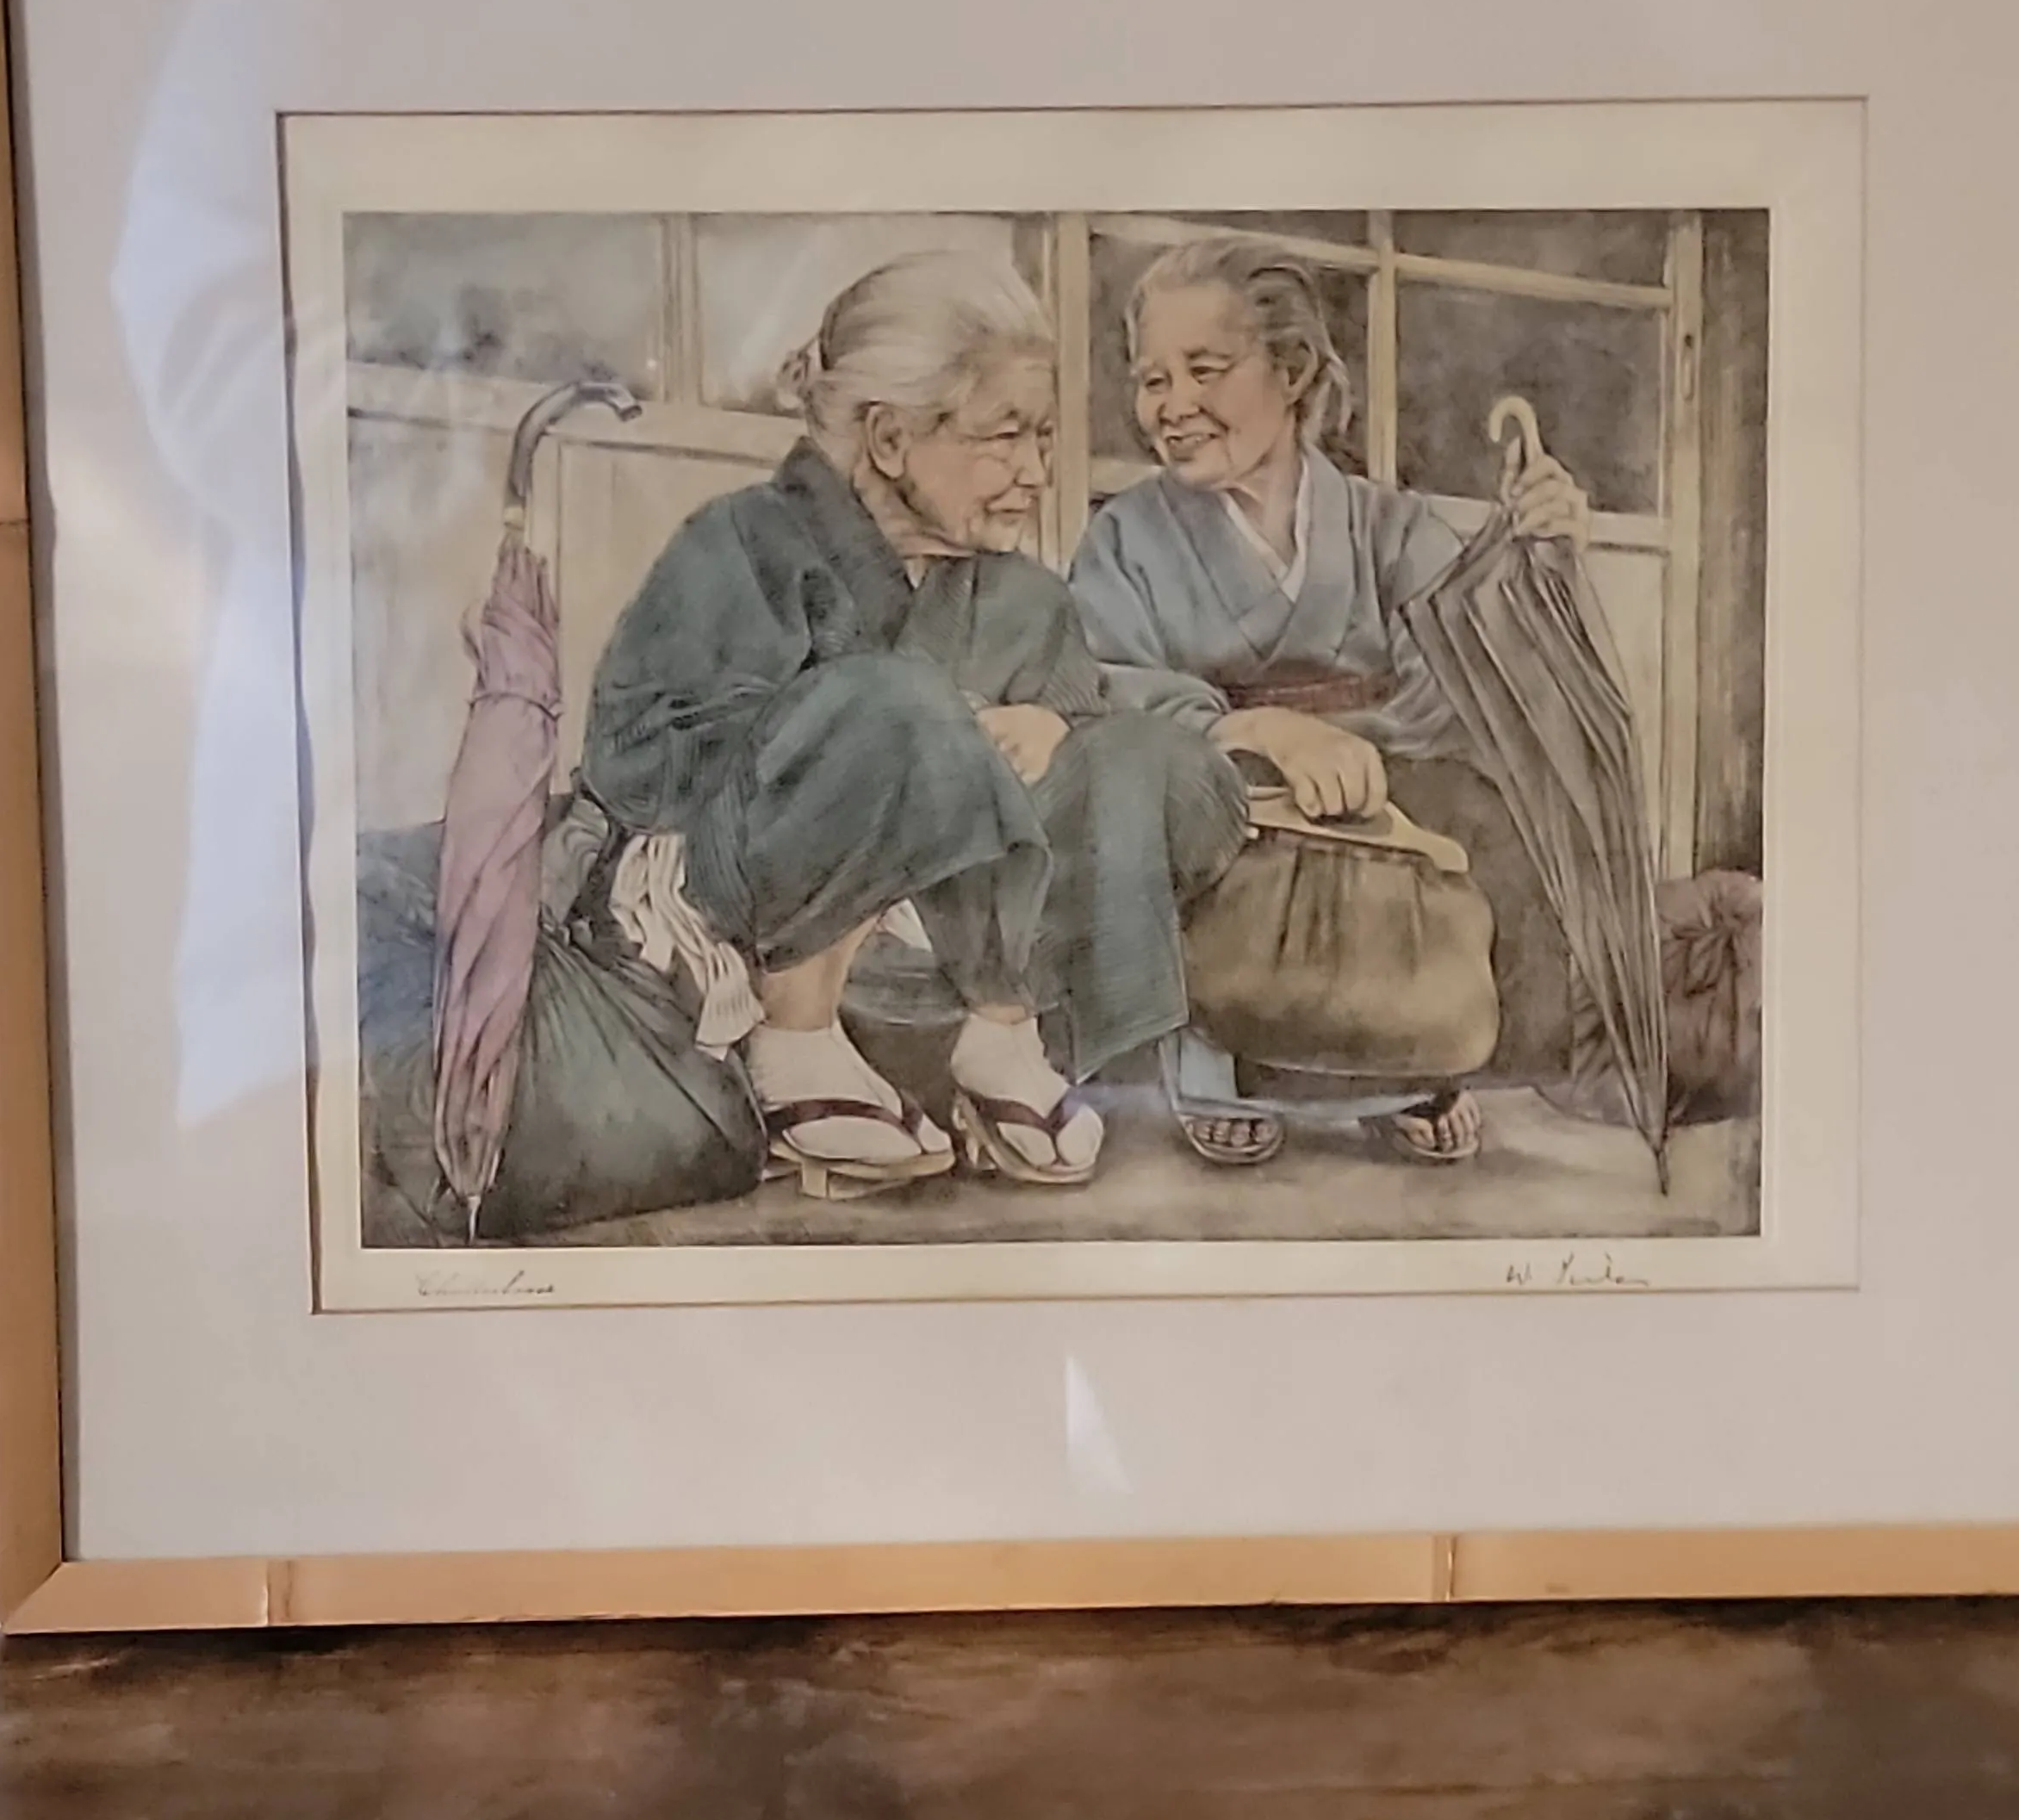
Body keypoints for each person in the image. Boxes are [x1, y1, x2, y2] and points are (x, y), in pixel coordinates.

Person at [578, 251, 1248, 1197]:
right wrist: (901, 746)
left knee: (1150, 756)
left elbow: (1090, 733)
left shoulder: (1024, 600)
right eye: (1003, 437)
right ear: (889, 440)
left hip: (967, 944)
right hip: (767, 915)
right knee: (901, 701)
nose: (1034, 471)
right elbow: (636, 763)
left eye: (1043, 438)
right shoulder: (743, 542)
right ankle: (796, 1049)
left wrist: (1051, 731)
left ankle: (1002, 1040)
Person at [1066, 234, 1593, 1168]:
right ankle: (1214, 1056)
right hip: (1226, 802)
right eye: (1152, 380)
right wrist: (1260, 730)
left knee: (1463, 804)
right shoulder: (1126, 539)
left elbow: (1487, 677)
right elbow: (1102, 686)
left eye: (1205, 370)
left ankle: (1407, 1063)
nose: (1172, 406)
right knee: (1154, 795)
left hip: (1376, 799)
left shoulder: (1388, 525)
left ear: (1295, 368)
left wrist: (1541, 562)